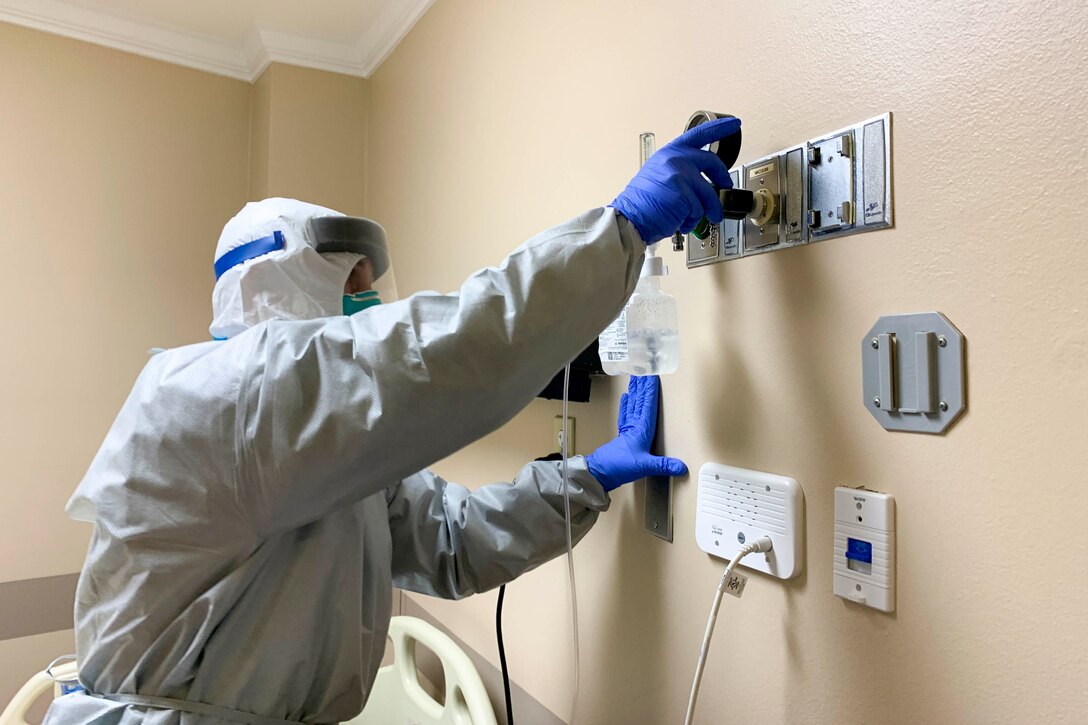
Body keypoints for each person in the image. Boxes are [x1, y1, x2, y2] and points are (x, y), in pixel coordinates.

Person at [44, 117, 741, 724]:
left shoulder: (312, 449)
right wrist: (616, 233)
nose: (368, 306)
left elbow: (452, 540)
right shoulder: (212, 400)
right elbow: (448, 353)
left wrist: (586, 476)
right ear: (278, 284)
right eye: (351, 284)